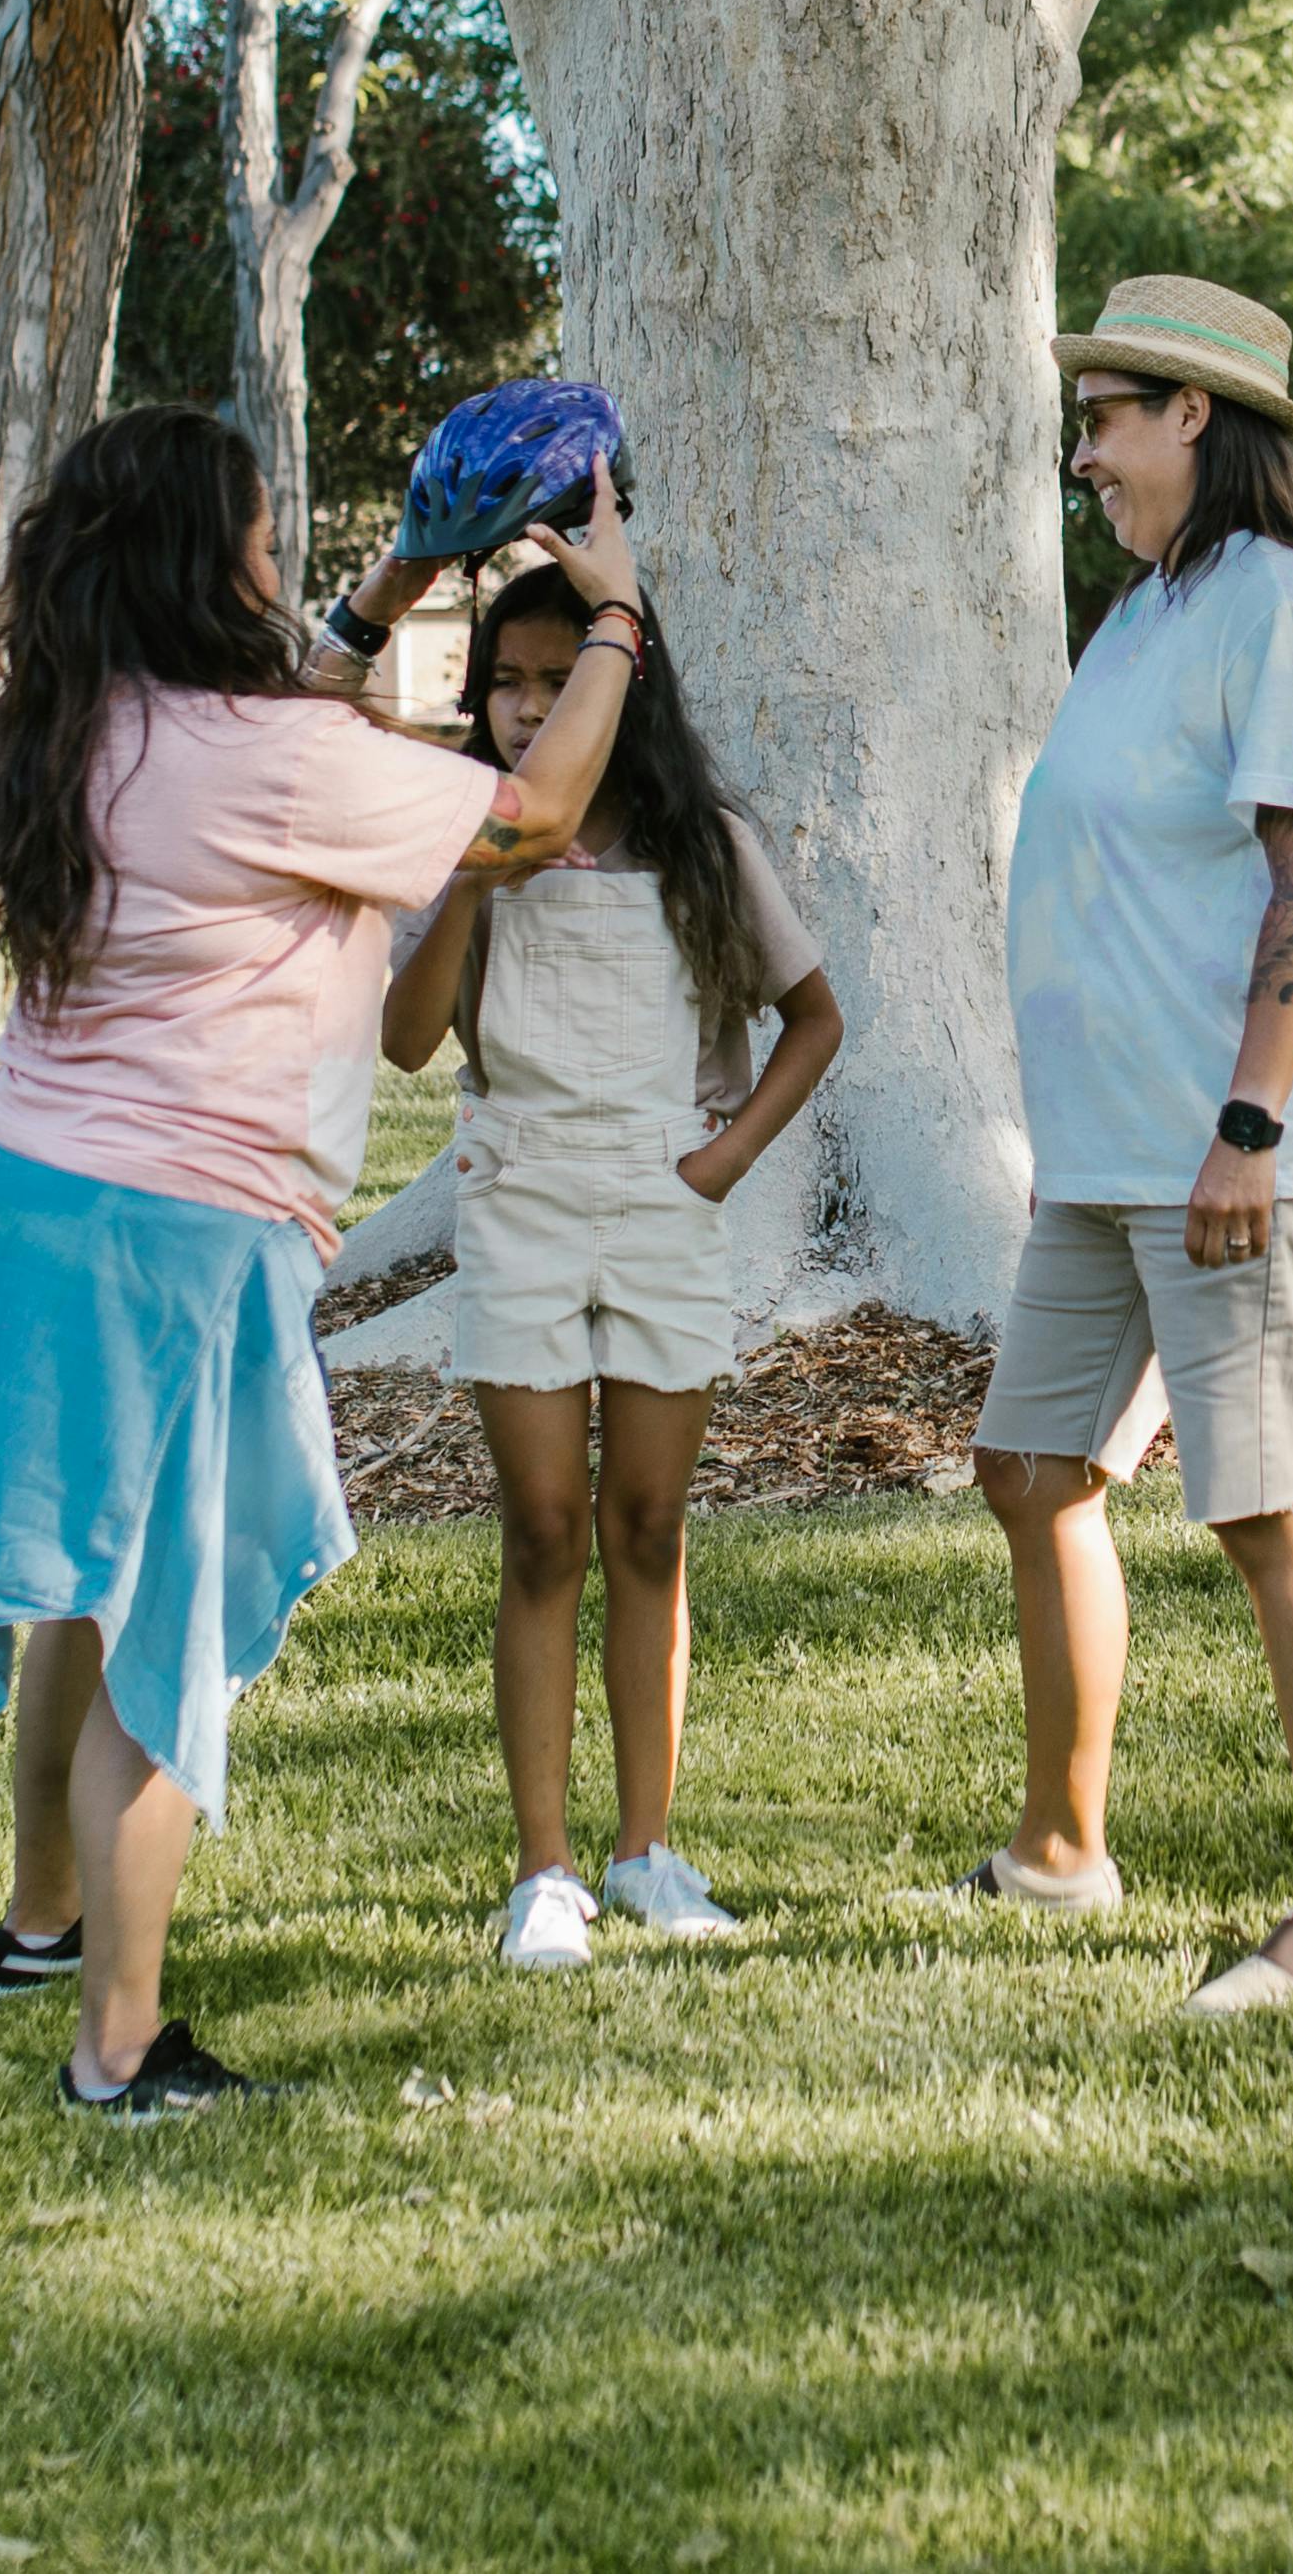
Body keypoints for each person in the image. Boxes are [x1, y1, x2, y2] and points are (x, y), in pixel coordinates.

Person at [0, 402, 644, 2118]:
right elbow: (532, 809)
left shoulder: (88, 721)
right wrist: (618, 613)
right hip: (184, 1234)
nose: (286, 570)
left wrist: (399, 585)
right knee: (167, 1631)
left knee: (87, 1570)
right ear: (207, 561)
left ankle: (44, 1926)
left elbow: (294, 705)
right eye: (269, 541)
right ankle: (120, 2049)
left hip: (33, 1204)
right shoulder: (266, 755)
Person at [957, 273, 1293, 2015]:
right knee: (1035, 1467)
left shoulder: (1283, 611)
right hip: (1105, 1154)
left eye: (1105, 419)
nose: (1086, 457)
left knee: (1267, 1509)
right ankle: (1064, 1849)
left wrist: (1250, 1125)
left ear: (1194, 419)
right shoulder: (1150, 611)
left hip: (1236, 1149)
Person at [383, 562, 846, 1971]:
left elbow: (814, 1017)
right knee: (543, 1530)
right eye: (502, 687)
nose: (525, 710)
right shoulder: (464, 837)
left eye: (551, 678)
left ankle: (647, 1847)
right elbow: (408, 1038)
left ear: (616, 687)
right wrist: (480, 856)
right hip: (518, 1188)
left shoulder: (699, 840)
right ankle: (544, 1870)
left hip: (663, 1196)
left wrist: (721, 1162)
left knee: (648, 1523)